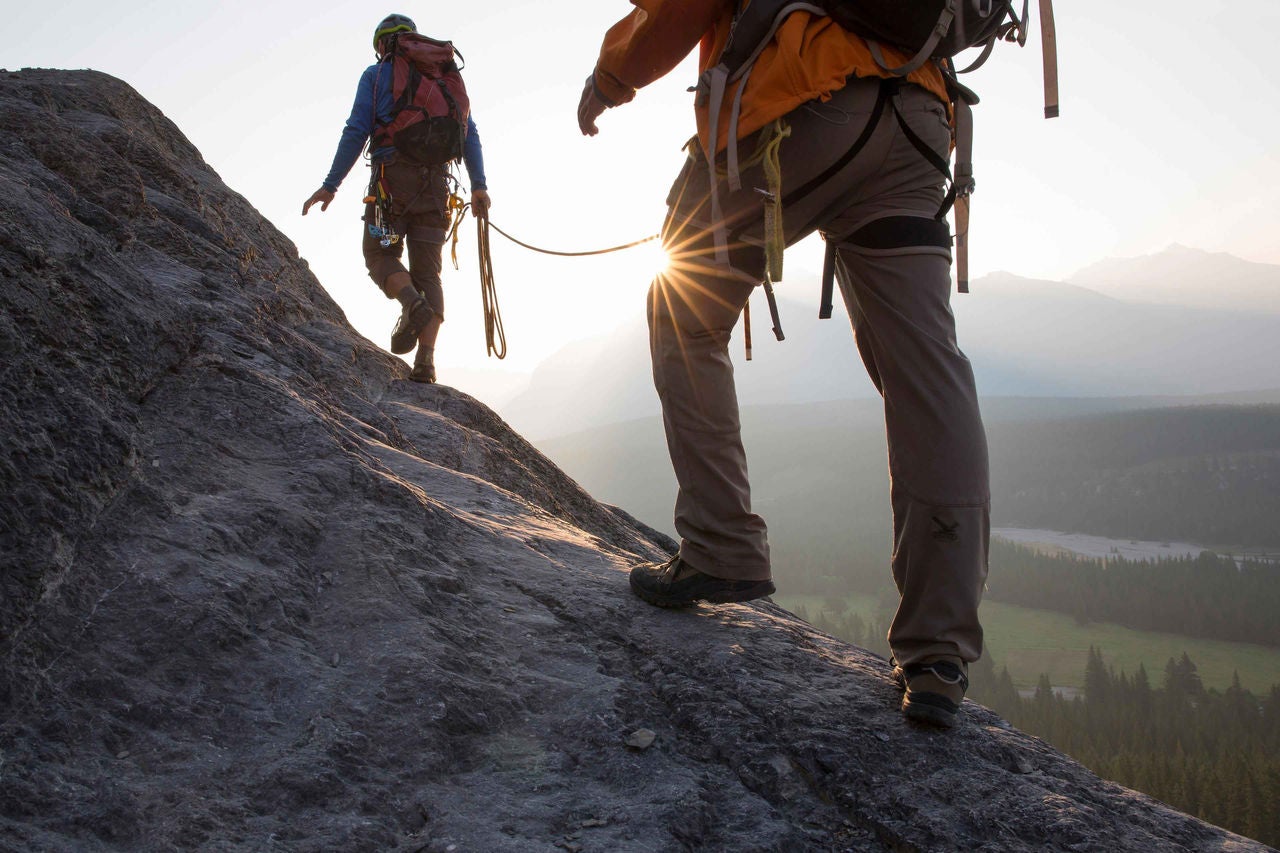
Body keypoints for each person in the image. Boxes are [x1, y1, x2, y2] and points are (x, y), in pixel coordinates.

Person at [578, 1, 990, 729]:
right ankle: (938, 650)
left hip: (801, 107)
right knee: (927, 374)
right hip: (922, 121)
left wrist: (612, 78)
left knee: (682, 308)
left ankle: (720, 543)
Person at [303, 13, 491, 384]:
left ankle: (410, 304)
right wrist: (479, 185)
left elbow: (357, 129)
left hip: (391, 189)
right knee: (428, 273)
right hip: (437, 192)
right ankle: (426, 362)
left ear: (381, 45)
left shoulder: (376, 76)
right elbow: (469, 134)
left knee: (381, 255)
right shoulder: (444, 80)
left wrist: (331, 183)